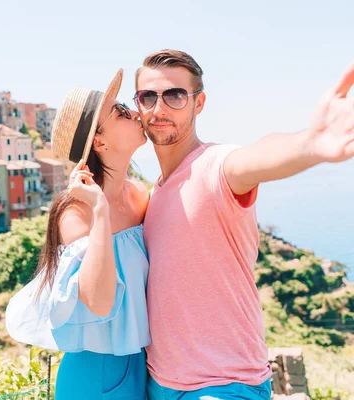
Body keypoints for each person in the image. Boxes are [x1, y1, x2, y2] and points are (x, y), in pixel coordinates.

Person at [134, 49, 354, 400]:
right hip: (159, 382)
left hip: (222, 385)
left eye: (175, 95)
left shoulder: (215, 166)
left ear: (198, 102)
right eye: (148, 96)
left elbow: (253, 158)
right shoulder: (154, 194)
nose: (159, 109)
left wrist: (312, 144)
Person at [6, 69, 151, 399]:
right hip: (92, 376)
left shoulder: (139, 195)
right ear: (99, 141)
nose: (133, 112)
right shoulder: (76, 211)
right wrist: (99, 210)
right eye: (119, 112)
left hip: (144, 366)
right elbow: (99, 302)